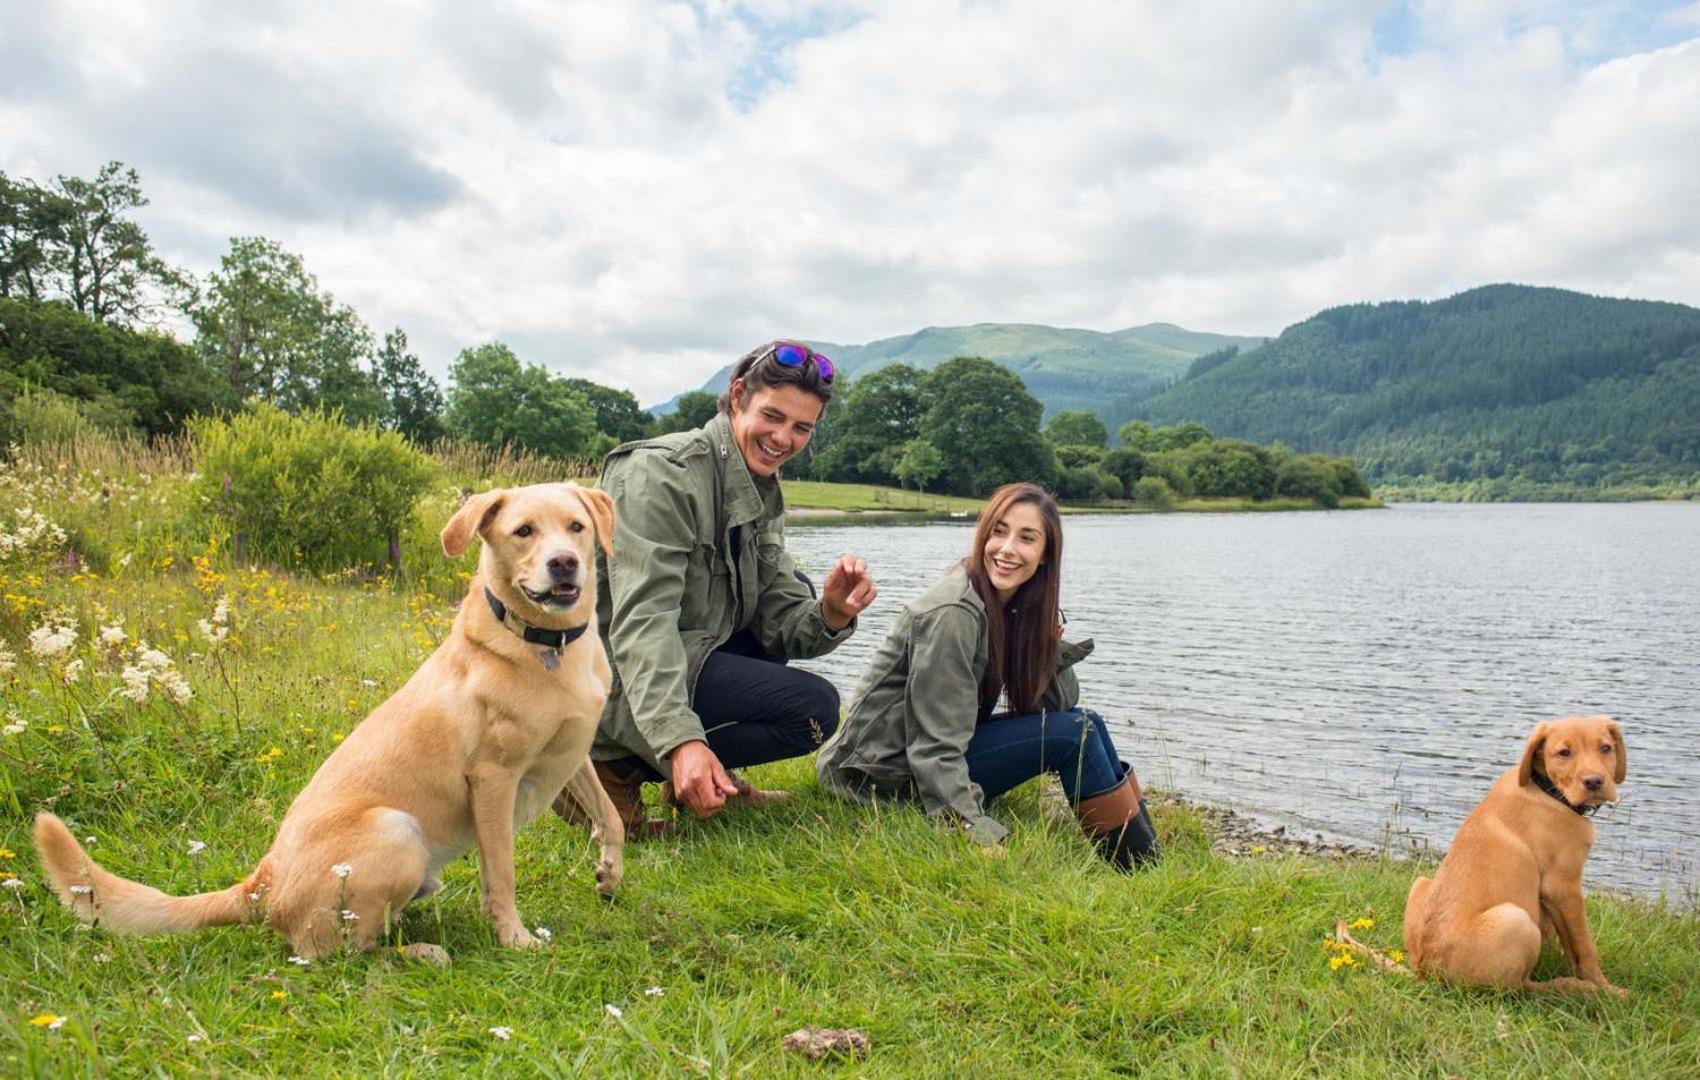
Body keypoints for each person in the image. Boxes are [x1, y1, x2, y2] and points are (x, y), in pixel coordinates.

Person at [556, 340, 877, 834]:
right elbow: (643, 622)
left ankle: (699, 774)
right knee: (811, 709)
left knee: (802, 594)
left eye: (801, 428)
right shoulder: (659, 475)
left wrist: (831, 614)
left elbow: (776, 611)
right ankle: (606, 765)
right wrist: (680, 740)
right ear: (736, 396)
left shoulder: (760, 487)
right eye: (772, 416)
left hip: (686, 651)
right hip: (610, 675)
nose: (782, 437)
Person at [817, 482, 1158, 869]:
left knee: (1086, 723)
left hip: (905, 759)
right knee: (1079, 733)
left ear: (1045, 555)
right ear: (983, 535)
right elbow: (934, 743)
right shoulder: (954, 613)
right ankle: (1139, 867)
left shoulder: (1009, 603)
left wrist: (1044, 644)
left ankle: (1143, 855)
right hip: (878, 776)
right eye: (999, 531)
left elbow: (1057, 706)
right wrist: (970, 827)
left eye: (1027, 538)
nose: (1008, 548)